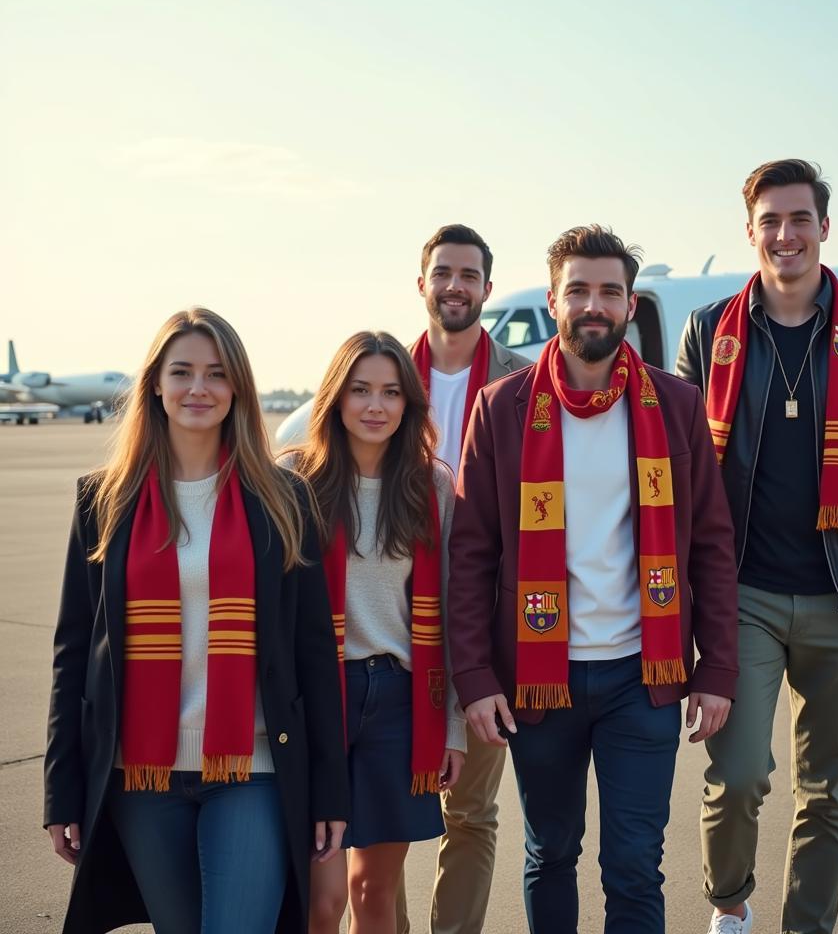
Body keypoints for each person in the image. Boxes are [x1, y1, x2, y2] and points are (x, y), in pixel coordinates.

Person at [447, 225, 739, 934]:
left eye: (609, 291)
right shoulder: (503, 408)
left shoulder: (675, 405)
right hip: (538, 680)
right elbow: (471, 555)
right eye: (578, 290)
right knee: (550, 853)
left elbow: (710, 544)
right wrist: (476, 679)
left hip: (644, 677)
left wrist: (718, 669)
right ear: (553, 301)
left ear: (630, 305)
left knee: (634, 863)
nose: (593, 305)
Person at [675, 159, 838, 934]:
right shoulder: (709, 329)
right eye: (770, 221)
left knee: (827, 789)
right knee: (740, 775)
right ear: (750, 232)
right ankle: (731, 907)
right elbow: (683, 467)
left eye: (799, 218)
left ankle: (807, 925)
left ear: (824, 226)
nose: (785, 235)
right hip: (742, 595)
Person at [43, 307, 349, 934]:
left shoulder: (284, 500)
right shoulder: (105, 501)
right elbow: (74, 651)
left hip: (253, 768)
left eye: (216, 373)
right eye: (181, 372)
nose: (198, 389)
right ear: (155, 384)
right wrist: (61, 791)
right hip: (140, 774)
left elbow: (315, 654)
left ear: (237, 386)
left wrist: (330, 791)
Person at [289, 331, 467, 934]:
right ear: (336, 398)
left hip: (399, 701)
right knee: (323, 899)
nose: (375, 406)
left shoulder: (431, 486)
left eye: (391, 392)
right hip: (320, 698)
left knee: (374, 893)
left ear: (409, 405)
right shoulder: (295, 483)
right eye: (360, 389)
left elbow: (451, 611)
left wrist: (453, 728)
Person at [408, 223, 530, 934]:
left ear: (487, 287)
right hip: (396, 618)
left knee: (472, 812)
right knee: (381, 807)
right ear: (421, 281)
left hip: (489, 622)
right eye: (443, 272)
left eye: (469, 275)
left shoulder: (522, 379)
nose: (455, 286)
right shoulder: (386, 372)